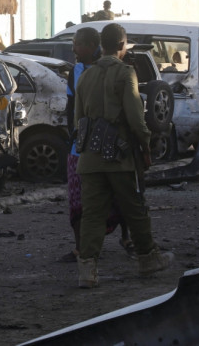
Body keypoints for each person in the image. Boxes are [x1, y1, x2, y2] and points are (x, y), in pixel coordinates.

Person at [74, 23, 173, 288]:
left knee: (92, 215)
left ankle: (87, 270)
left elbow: (78, 120)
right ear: (121, 45)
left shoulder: (85, 76)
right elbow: (136, 119)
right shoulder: (126, 73)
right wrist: (146, 146)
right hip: (119, 158)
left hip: (90, 158)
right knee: (135, 208)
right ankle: (147, 258)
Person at [60, 27, 134, 264]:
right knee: (81, 202)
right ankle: (82, 249)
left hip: (110, 144)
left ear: (94, 45)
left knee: (122, 196)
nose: (74, 50)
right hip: (84, 147)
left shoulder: (118, 71)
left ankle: (126, 240)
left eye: (78, 44)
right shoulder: (76, 72)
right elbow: (73, 110)